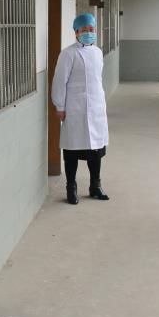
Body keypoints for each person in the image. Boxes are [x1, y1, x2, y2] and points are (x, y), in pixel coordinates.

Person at [51, 13, 110, 205]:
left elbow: (97, 79)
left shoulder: (98, 52)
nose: (88, 33)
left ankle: (95, 186)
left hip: (96, 107)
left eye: (91, 29)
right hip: (75, 108)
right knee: (72, 149)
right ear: (76, 32)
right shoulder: (68, 54)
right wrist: (59, 105)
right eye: (84, 30)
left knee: (96, 149)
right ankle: (71, 188)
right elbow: (59, 81)